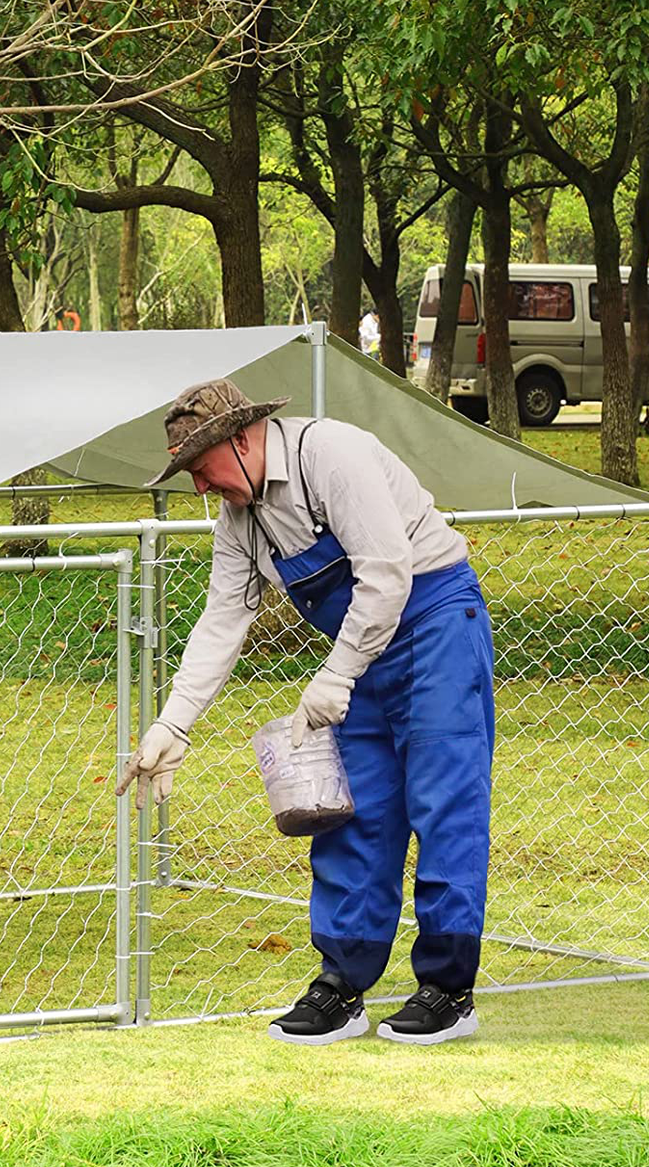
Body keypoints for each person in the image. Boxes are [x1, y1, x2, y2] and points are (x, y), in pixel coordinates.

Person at [114, 379, 494, 1046]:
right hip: (358, 657)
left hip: (435, 625)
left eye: (201, 469)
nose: (200, 489)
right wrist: (172, 724)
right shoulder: (241, 520)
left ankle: (447, 989)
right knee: (351, 815)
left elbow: (386, 572)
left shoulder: (333, 456)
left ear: (241, 439)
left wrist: (334, 676)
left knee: (443, 804)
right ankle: (341, 988)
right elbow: (222, 618)